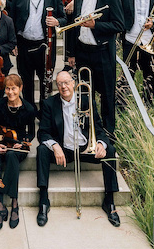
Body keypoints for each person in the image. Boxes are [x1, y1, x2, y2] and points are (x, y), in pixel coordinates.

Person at [36, 71, 120, 228]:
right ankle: (43, 200)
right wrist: (55, 146)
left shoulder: (87, 101)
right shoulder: (49, 104)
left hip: (85, 149)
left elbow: (99, 128)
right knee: (42, 150)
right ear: (57, 86)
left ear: (73, 83)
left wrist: (101, 143)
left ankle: (109, 201)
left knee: (110, 151)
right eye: (60, 84)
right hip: (65, 151)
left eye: (67, 82)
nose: (64, 87)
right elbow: (42, 132)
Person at [65, 0, 124, 133]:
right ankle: (87, 130)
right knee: (84, 93)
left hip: (103, 52)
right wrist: (71, 53)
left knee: (107, 95)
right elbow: (74, 27)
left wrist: (95, 25)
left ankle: (108, 134)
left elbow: (119, 25)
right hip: (83, 52)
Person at [11, 0, 66, 105]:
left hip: (45, 46)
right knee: (26, 81)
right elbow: (12, 18)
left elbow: (64, 18)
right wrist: (13, 43)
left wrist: (57, 21)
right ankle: (29, 112)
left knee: (45, 82)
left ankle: (44, 113)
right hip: (24, 44)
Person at [0, 74, 35, 231]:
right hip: (1, 143)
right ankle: (0, 206)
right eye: (7, 88)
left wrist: (23, 142)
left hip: (18, 147)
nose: (10, 92)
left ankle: (14, 202)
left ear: (20, 88)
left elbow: (31, 133)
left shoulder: (29, 108)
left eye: (14, 88)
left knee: (12, 156)